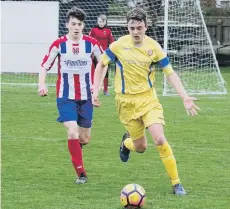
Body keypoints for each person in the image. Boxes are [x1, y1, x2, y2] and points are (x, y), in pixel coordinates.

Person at [92, 8, 200, 195]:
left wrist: (185, 97)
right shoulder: (117, 46)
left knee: (159, 138)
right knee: (140, 147)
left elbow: (170, 73)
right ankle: (126, 143)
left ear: (146, 27)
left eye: (139, 27)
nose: (135, 32)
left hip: (149, 100)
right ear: (127, 27)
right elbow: (101, 64)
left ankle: (176, 184)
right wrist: (95, 90)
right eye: (132, 27)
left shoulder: (154, 47)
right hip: (125, 102)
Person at [38, 7, 104, 184]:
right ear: (67, 24)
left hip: (86, 97)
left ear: (83, 26)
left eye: (80, 24)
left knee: (84, 138)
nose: (76, 27)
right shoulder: (59, 44)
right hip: (65, 97)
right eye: (73, 24)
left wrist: (96, 89)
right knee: (72, 131)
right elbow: (45, 66)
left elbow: (103, 64)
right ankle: (81, 173)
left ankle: (77, 149)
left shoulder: (92, 44)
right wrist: (41, 85)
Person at [89, 14, 114, 96]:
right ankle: (93, 88)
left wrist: (111, 51)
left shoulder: (108, 31)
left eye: (103, 22)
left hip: (105, 54)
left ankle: (105, 90)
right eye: (100, 21)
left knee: (105, 72)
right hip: (95, 54)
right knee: (95, 71)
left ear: (105, 22)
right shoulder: (93, 30)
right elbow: (89, 41)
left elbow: (112, 42)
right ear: (97, 21)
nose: (101, 23)